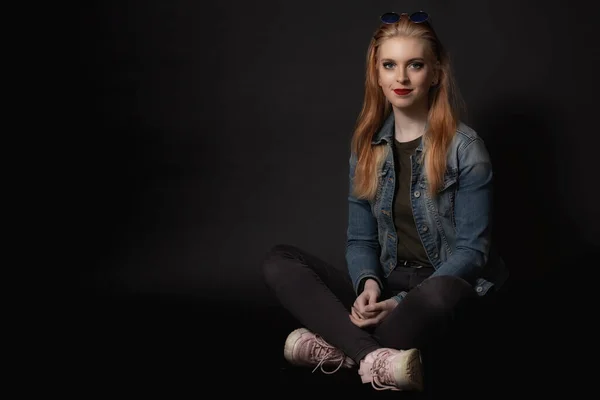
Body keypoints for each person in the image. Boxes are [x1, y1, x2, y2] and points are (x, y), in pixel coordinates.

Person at [262, 10, 509, 392]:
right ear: (376, 74)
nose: (402, 78)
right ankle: (375, 358)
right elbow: (361, 241)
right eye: (390, 65)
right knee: (281, 261)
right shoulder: (367, 148)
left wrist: (403, 301)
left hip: (442, 289)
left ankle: (340, 348)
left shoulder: (466, 148)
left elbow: (472, 252)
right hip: (390, 281)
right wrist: (369, 285)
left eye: (415, 65)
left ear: (436, 73)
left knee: (438, 295)